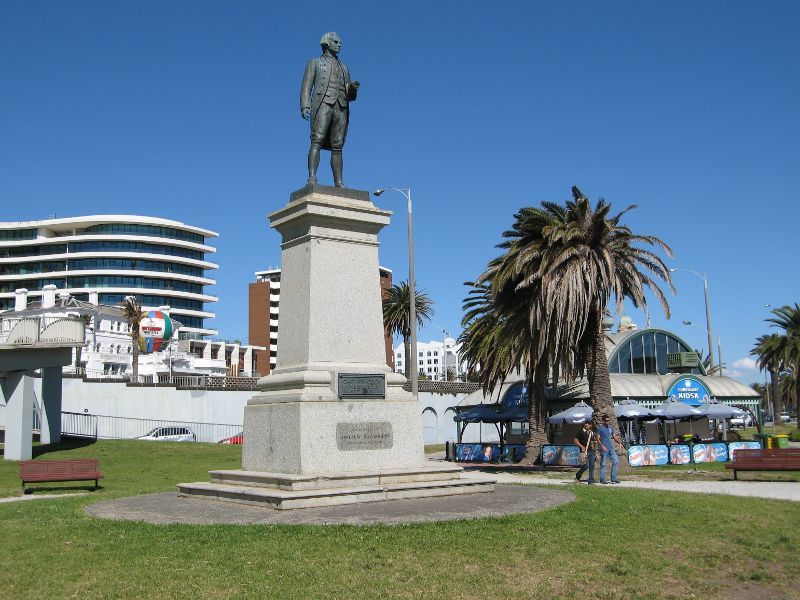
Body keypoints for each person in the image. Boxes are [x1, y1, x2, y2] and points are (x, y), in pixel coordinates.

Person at [300, 32, 360, 188]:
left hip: (341, 107)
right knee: (316, 140)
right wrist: (305, 105)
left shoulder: (344, 67)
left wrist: (353, 89)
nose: (339, 44)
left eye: (340, 42)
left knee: (338, 145)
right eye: (336, 42)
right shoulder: (314, 63)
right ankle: (312, 178)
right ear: (326, 43)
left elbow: (350, 96)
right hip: (323, 104)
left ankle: (339, 182)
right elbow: (306, 86)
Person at [598, 414, 623, 484]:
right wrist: (602, 446)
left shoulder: (610, 428)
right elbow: (597, 438)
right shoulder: (600, 428)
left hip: (611, 448)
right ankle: (602, 479)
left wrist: (619, 443)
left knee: (616, 462)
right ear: (603, 421)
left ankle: (613, 478)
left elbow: (614, 436)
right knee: (603, 464)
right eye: (606, 421)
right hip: (604, 448)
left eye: (608, 421)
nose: (607, 422)